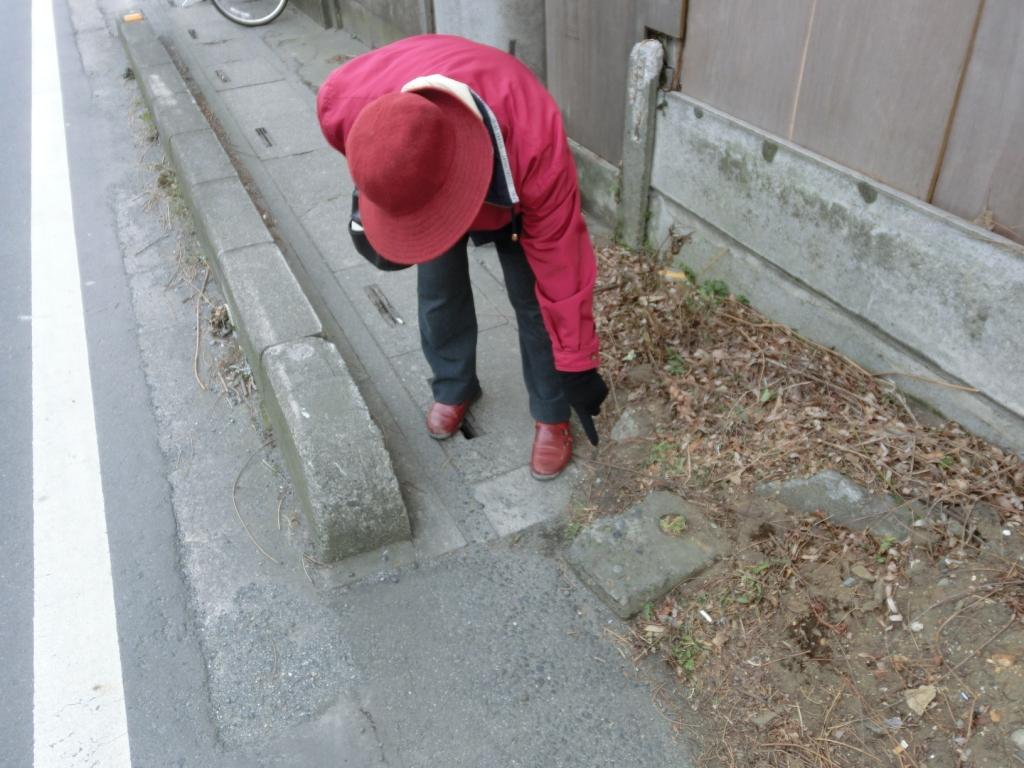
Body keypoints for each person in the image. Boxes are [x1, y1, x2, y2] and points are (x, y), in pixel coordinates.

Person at [316, 33, 608, 481]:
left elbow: (561, 266)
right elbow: (356, 145)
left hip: (507, 165)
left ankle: (551, 411)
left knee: (532, 296)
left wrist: (576, 362)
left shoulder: (533, 141)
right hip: (422, 151)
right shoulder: (350, 102)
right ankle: (453, 384)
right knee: (438, 285)